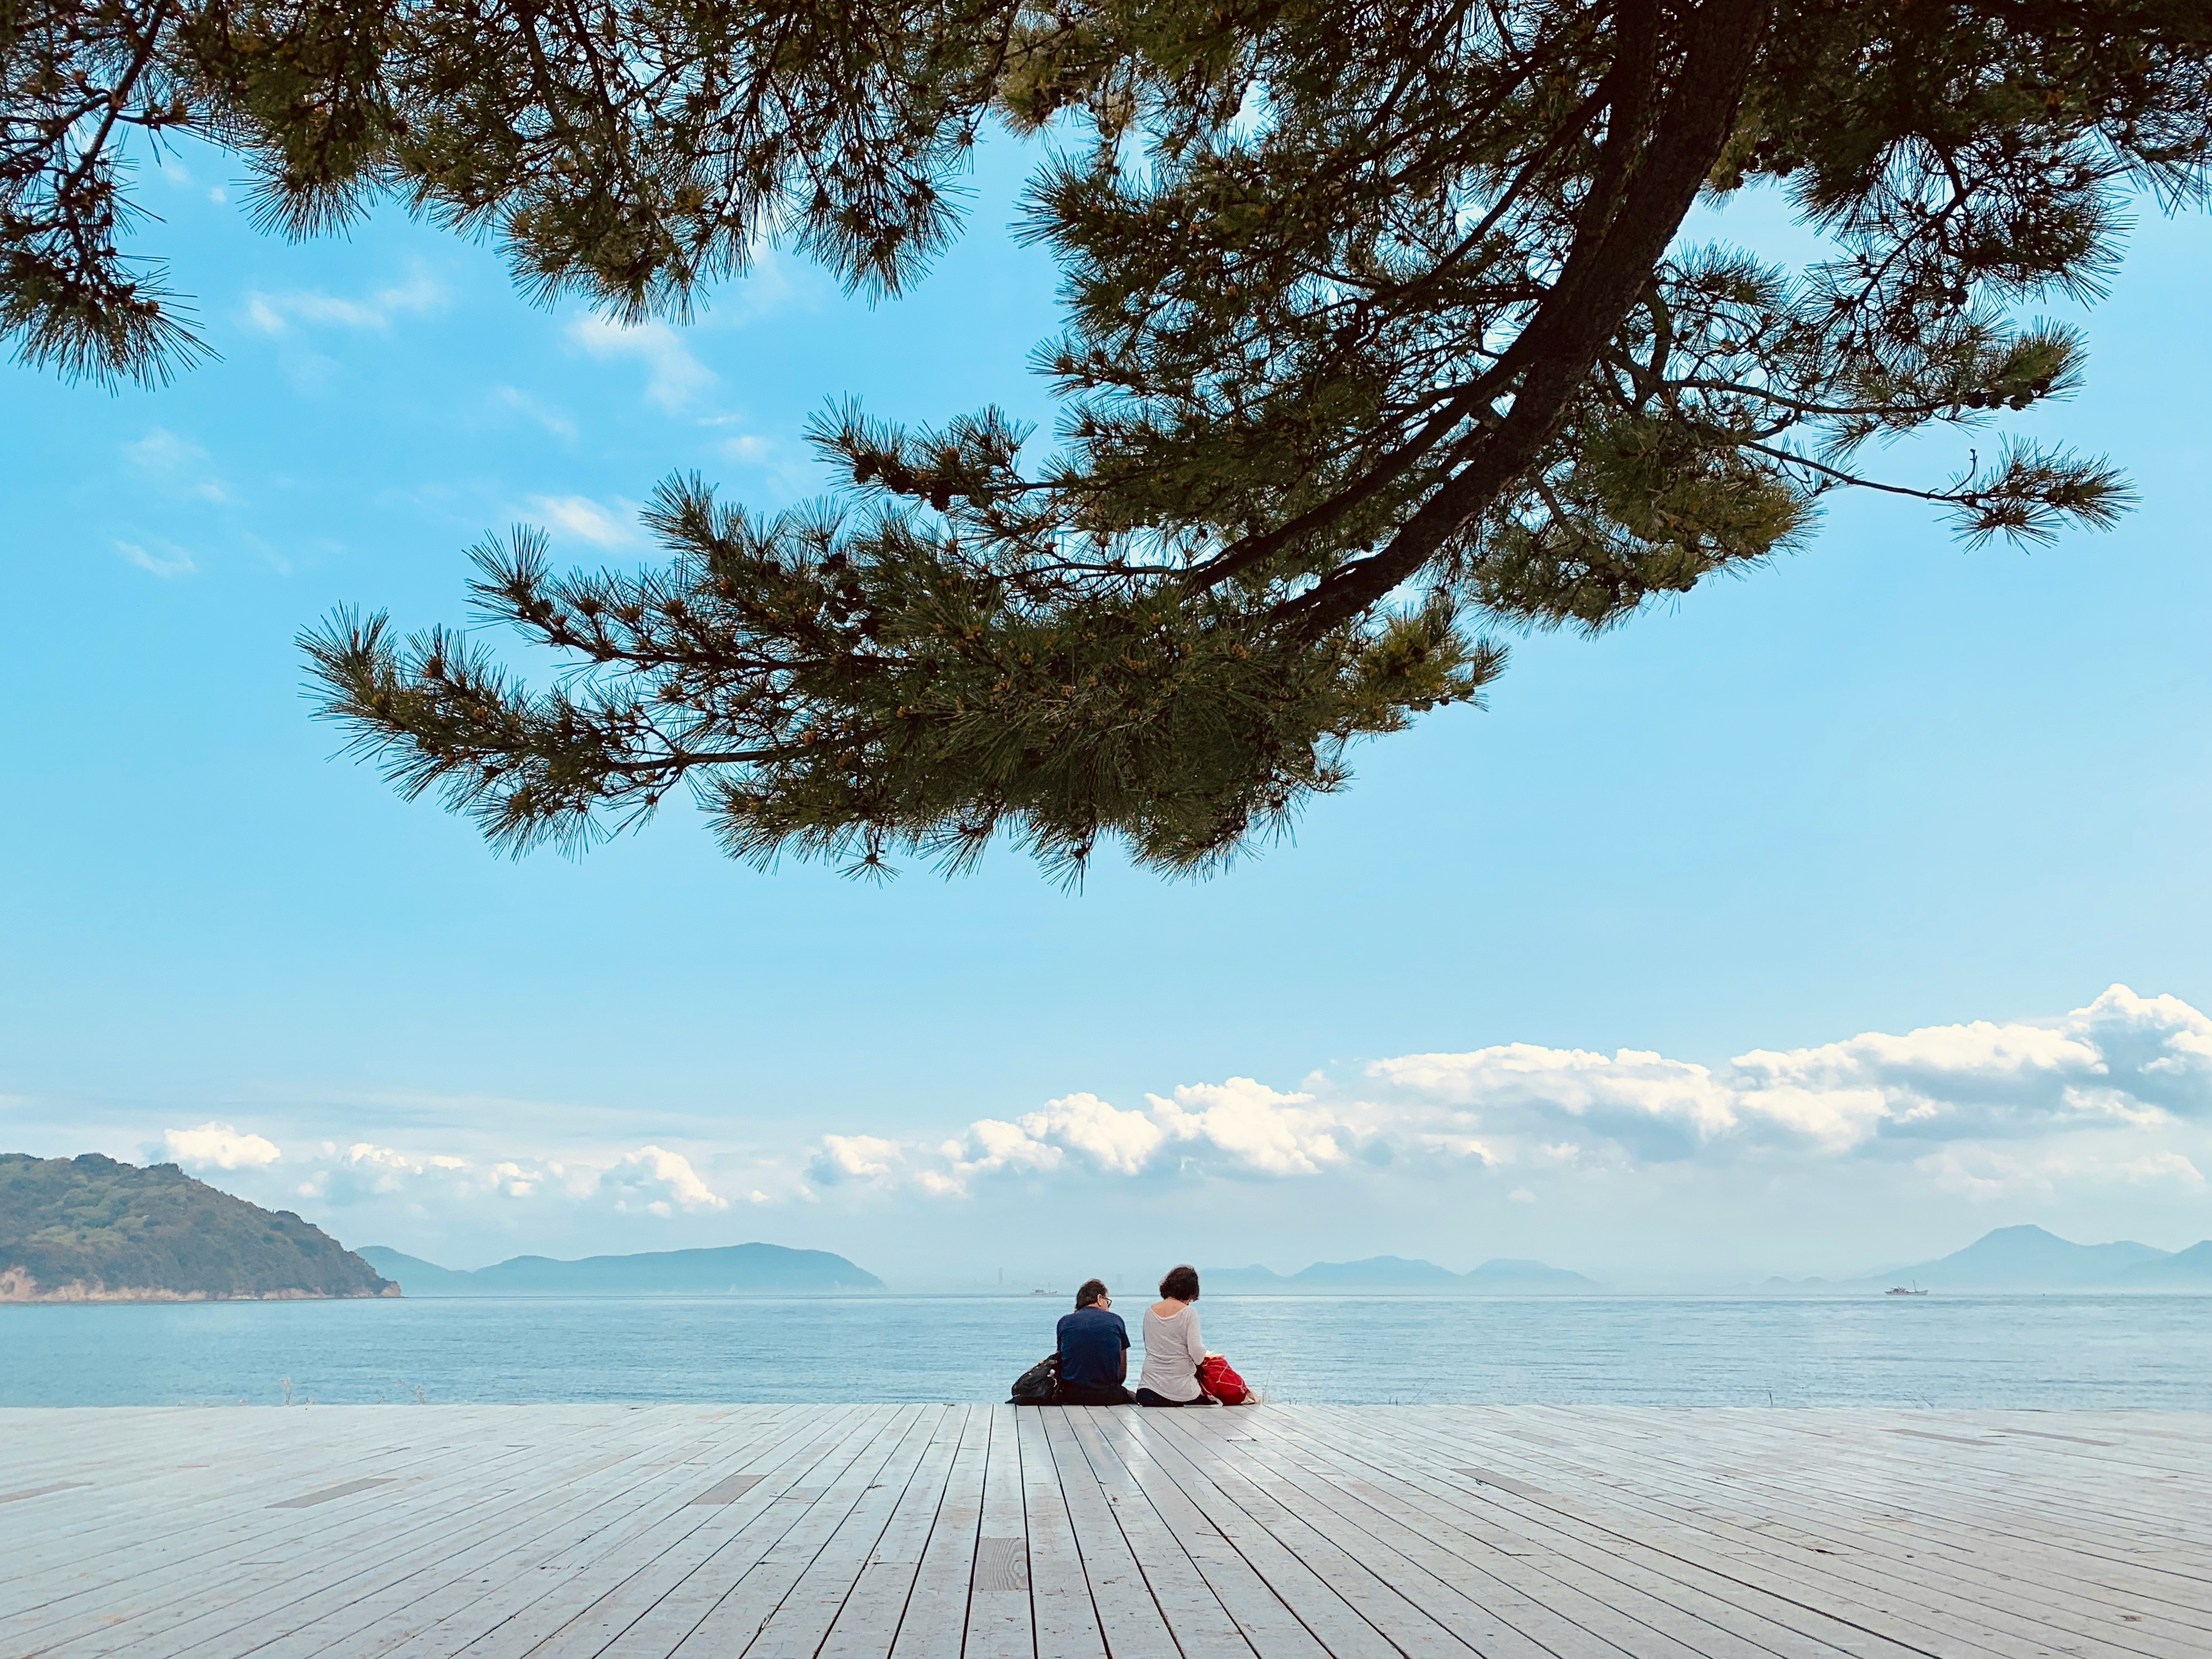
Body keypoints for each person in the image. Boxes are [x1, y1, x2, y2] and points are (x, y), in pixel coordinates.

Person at [1136, 1264, 1210, 1406]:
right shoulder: (1189, 1314)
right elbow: (1197, 1354)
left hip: (1148, 1391)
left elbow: (1149, 1346)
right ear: (1191, 1292)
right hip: (1182, 1392)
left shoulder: (1150, 1311)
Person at [1056, 1279, 1134, 1405]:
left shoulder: (1065, 1322)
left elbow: (1060, 1360)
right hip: (1108, 1395)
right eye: (1107, 1302)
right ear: (1099, 1299)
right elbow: (1122, 1372)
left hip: (1071, 1395)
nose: (1108, 1307)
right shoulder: (1116, 1321)